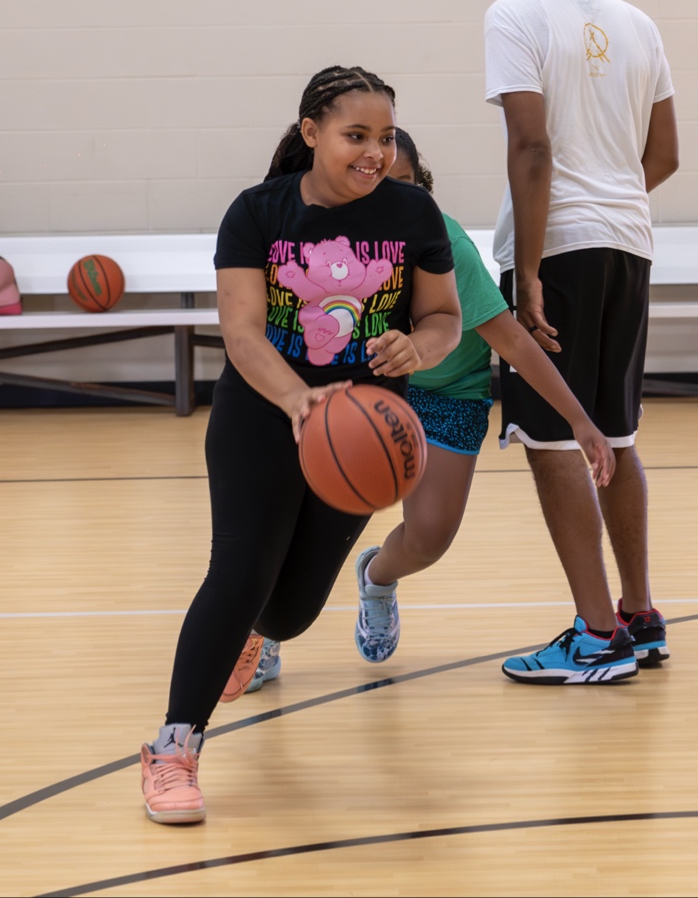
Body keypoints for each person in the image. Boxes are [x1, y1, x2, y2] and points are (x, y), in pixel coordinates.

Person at [139, 65, 461, 826]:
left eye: (384, 137)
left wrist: (419, 348)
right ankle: (173, 746)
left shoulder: (414, 213)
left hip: (369, 431)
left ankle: (260, 635)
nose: (375, 152)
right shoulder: (257, 213)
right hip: (263, 415)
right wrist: (298, 400)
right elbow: (243, 333)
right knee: (240, 568)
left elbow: (443, 317)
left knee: (288, 613)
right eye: (356, 136)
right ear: (312, 133)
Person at [479, 0, 681, 683]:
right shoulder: (638, 22)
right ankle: (638, 612)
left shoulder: (512, 15)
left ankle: (597, 636)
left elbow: (530, 148)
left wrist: (527, 269)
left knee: (553, 439)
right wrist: (608, 203)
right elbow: (663, 156)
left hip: (555, 249)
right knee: (617, 433)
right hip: (629, 242)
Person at [342, 129, 615, 667]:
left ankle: (376, 578)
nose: (391, 201)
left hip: (451, 391)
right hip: (374, 387)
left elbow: (513, 339)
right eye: (379, 187)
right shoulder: (339, 243)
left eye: (404, 187)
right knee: (316, 517)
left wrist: (579, 420)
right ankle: (264, 629)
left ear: (422, 190)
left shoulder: (447, 249)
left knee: (430, 537)